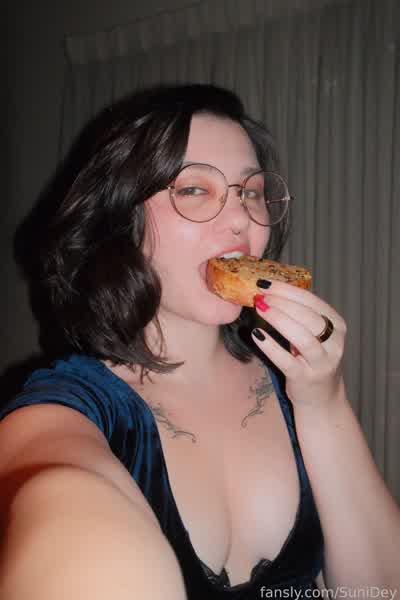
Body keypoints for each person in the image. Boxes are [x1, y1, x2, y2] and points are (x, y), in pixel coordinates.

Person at [0, 84, 399, 600]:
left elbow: (377, 591)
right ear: (123, 220)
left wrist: (325, 402)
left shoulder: (297, 384)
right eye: (194, 189)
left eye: (251, 191)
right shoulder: (65, 408)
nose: (241, 219)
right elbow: (59, 499)